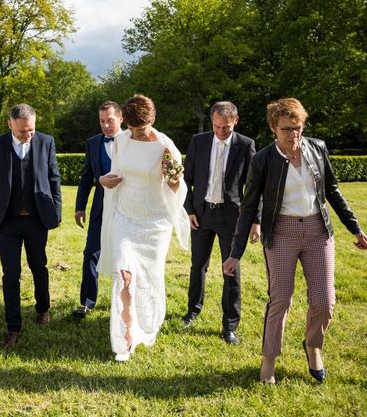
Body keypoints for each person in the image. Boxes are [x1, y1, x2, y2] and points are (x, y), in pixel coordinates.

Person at [223, 97, 367, 384]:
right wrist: (235, 253)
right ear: (274, 128)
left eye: (298, 128)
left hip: (317, 231)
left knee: (324, 301)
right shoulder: (262, 159)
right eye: (287, 129)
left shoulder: (317, 148)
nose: (294, 135)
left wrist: (356, 228)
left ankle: (313, 346)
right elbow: (249, 207)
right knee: (281, 300)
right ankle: (269, 360)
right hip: (281, 233)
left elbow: (333, 191)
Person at [98, 94, 190, 361]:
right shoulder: (121, 140)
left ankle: (145, 323)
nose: (137, 134)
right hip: (124, 216)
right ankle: (125, 338)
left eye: (142, 128)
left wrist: (173, 176)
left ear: (153, 119)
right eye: (133, 128)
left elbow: (177, 188)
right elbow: (115, 174)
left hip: (154, 222)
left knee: (148, 278)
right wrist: (104, 180)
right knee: (123, 274)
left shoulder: (165, 147)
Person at [0, 103, 62, 349]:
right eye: (23, 131)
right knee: (11, 274)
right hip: (8, 221)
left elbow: (54, 179)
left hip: (37, 219)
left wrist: (55, 212)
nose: (28, 135)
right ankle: (13, 326)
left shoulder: (46, 142)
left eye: (31, 130)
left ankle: (43, 308)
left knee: (39, 265)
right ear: (10, 124)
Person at [181, 101, 256, 345]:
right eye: (216, 126)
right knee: (197, 266)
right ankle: (192, 311)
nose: (220, 131)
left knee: (231, 270)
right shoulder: (199, 141)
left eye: (225, 127)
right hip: (201, 214)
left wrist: (255, 220)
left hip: (230, 216)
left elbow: (254, 188)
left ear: (235, 121)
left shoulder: (245, 145)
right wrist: (189, 210)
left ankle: (230, 326)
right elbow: (186, 179)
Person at [72, 101, 123, 320]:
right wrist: (80, 206)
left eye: (110, 120)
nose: (106, 125)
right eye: (102, 121)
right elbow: (86, 177)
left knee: (124, 257)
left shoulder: (133, 141)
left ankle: (122, 303)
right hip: (100, 208)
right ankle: (86, 302)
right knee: (90, 253)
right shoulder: (92, 143)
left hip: (126, 208)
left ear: (121, 119)